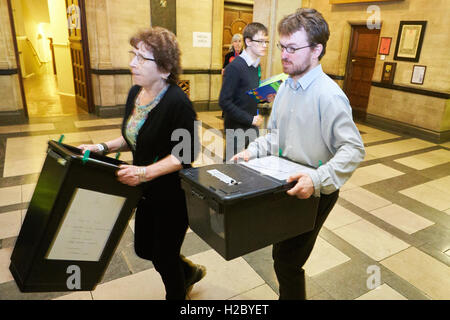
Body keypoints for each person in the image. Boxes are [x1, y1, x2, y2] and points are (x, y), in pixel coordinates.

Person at [232, 8, 365, 300]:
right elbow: (276, 135)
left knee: (288, 261)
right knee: (282, 254)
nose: (284, 54)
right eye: (282, 47)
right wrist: (250, 152)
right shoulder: (286, 86)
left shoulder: (328, 95)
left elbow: (353, 149)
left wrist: (316, 180)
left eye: (293, 48)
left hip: (316, 190)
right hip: (286, 183)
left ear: (317, 49)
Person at [78, 27, 205, 300]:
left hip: (172, 194)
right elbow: (133, 136)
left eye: (141, 58)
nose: (132, 63)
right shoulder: (136, 93)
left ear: (164, 68)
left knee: (164, 257)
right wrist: (101, 147)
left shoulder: (178, 104)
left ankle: (179, 291)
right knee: (144, 249)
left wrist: (144, 172)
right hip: (145, 192)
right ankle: (190, 273)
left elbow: (183, 155)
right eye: (133, 55)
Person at [219, 22, 268, 157]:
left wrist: (265, 96)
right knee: (232, 169)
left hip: (252, 127)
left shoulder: (256, 66)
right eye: (261, 41)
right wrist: (250, 119)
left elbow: (248, 94)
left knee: (250, 167)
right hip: (236, 129)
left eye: (266, 41)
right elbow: (224, 101)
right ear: (248, 41)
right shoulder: (235, 67)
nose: (265, 46)